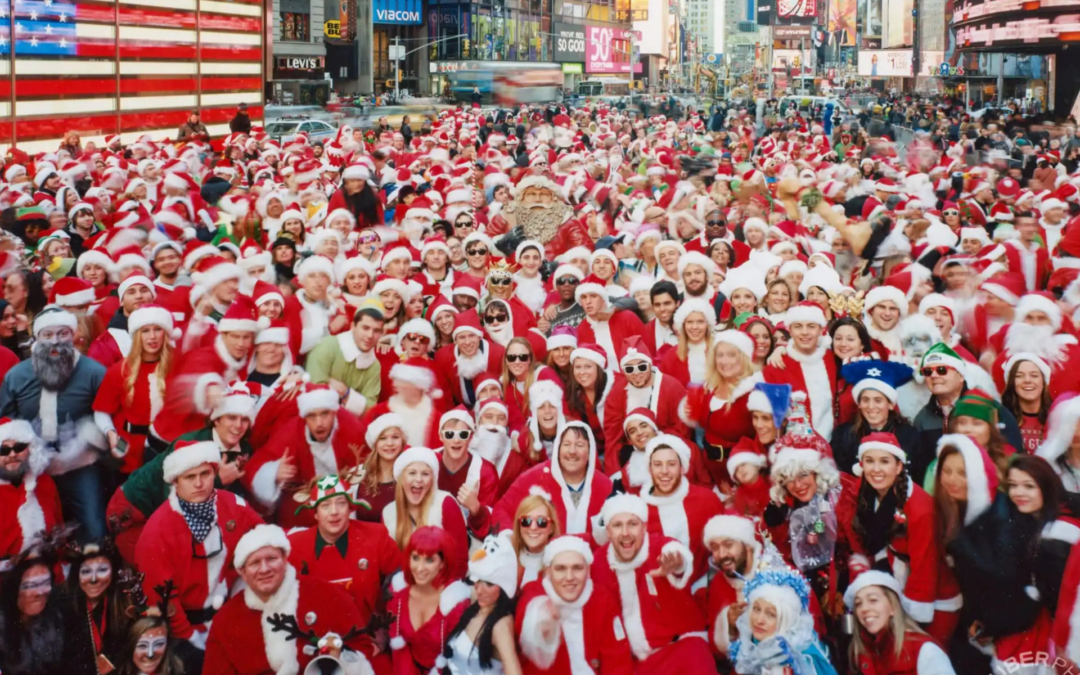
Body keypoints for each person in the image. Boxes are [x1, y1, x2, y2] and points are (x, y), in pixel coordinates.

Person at [135, 440, 264, 673]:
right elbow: (160, 597)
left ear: (215, 472)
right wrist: (190, 637)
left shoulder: (233, 504)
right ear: (175, 480)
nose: (199, 483)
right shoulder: (158, 530)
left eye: (205, 473)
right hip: (183, 631)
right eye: (189, 477)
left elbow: (264, 541)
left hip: (229, 614)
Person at [203, 524, 379, 674]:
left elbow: (361, 644)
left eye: (271, 558)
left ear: (285, 559)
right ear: (242, 572)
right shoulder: (227, 620)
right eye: (255, 563)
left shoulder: (326, 594)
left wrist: (339, 657)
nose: (264, 569)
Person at [838, 432, 959, 643]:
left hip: (934, 599)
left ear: (899, 466)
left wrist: (913, 616)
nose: (876, 469)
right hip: (897, 584)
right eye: (870, 461)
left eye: (884, 461)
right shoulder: (865, 490)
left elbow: (925, 569)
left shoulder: (920, 510)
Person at [0, 306, 107, 540]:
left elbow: (109, 415)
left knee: (94, 527)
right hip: (33, 468)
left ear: (73, 335)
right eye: (47, 335)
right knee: (37, 532)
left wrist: (91, 437)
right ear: (36, 338)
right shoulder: (17, 376)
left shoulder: (93, 373)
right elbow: (5, 422)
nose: (55, 342)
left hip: (80, 465)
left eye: (63, 333)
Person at [589, 494, 716, 672]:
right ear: (608, 531)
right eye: (618, 525)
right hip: (636, 663)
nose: (625, 533)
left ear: (644, 527)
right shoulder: (598, 564)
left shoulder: (658, 547)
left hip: (681, 648)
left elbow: (675, 553)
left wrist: (677, 564)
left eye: (633, 524)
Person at [286, 473, 400, 636]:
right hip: (315, 642)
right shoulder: (295, 546)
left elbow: (402, 584)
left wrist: (385, 628)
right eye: (325, 505)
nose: (334, 512)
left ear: (351, 507)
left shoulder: (375, 536)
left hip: (368, 639)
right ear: (315, 513)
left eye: (341, 503)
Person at [515, 535, 635, 674]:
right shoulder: (534, 591)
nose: (570, 577)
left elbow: (617, 661)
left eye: (577, 568)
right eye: (560, 569)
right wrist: (542, 618)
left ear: (588, 570)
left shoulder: (601, 598)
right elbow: (527, 615)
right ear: (548, 572)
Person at [92, 305, 177, 473]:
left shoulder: (178, 366)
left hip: (169, 445)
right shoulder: (120, 370)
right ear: (137, 335)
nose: (152, 337)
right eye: (145, 331)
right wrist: (110, 433)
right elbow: (102, 410)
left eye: (158, 329)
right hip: (130, 447)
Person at [494, 422, 611, 542]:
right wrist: (508, 538)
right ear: (557, 449)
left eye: (580, 445)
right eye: (566, 444)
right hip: (541, 558)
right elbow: (501, 510)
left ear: (590, 451)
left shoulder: (605, 486)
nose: (572, 451)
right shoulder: (535, 478)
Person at [387, 526, 472, 675]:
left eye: (429, 560)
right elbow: (399, 650)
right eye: (415, 558)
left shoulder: (456, 603)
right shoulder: (398, 594)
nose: (420, 568)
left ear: (442, 564)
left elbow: (458, 661)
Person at [728, 565, 838, 675]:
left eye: (771, 614)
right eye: (756, 609)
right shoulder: (748, 646)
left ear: (787, 620)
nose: (759, 620)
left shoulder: (800, 659)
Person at [383, 447, 469, 579]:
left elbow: (460, 560)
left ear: (432, 480)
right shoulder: (388, 513)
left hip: (443, 586)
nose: (419, 479)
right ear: (401, 478)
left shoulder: (444, 502)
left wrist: (442, 594)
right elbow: (391, 566)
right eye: (412, 473)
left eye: (425, 474)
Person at [845, 571, 956, 675]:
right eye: (858, 604)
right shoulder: (860, 653)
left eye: (873, 600)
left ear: (893, 607)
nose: (864, 608)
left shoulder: (924, 650)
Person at [444, 532, 523, 674]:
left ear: (504, 586)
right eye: (478, 580)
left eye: (489, 583)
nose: (480, 590)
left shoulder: (501, 625)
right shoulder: (476, 605)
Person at [0, 417, 63, 567]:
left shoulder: (45, 483)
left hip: (49, 573)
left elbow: (59, 529)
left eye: (19, 447)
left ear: (31, 449)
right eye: (4, 450)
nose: (12, 454)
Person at [62, 541, 130, 675]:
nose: (93, 579)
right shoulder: (63, 606)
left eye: (102, 570)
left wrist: (110, 659)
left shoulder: (123, 599)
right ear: (77, 575)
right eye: (86, 571)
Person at [0, 553, 67, 675]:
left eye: (45, 583)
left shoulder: (59, 620)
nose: (40, 593)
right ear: (15, 588)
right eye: (31, 585)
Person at [510, 493, 560, 588]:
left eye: (541, 521)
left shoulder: (561, 563)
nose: (533, 527)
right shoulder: (506, 556)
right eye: (526, 521)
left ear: (552, 528)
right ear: (519, 525)